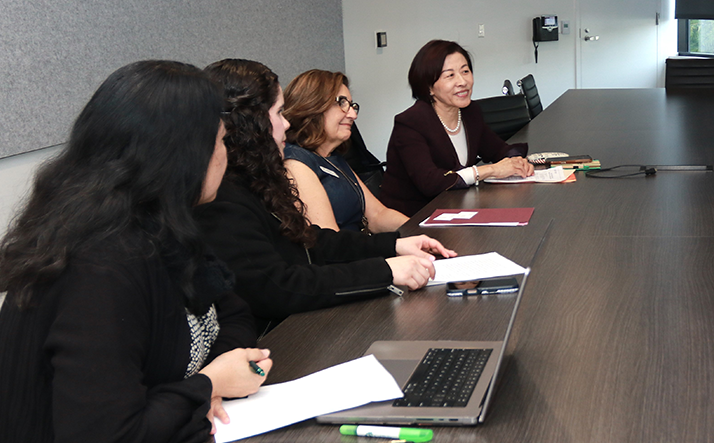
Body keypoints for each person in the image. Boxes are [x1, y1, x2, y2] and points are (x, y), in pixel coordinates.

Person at [0, 61, 271, 443]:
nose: (225, 156)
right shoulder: (100, 266)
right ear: (184, 155)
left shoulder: (165, 227)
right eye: (221, 142)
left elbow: (234, 314)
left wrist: (211, 379)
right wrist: (207, 386)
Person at [194, 59, 454, 333]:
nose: (286, 123)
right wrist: (385, 270)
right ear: (252, 122)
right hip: (279, 338)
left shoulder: (256, 179)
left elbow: (312, 240)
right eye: (279, 113)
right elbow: (278, 288)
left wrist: (393, 246)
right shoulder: (224, 199)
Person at [381, 40, 534, 216]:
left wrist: (516, 162)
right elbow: (430, 182)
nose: (462, 81)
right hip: (413, 219)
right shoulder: (411, 123)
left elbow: (498, 150)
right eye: (450, 75)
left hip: (456, 209)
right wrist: (490, 170)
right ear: (429, 87)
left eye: (465, 71)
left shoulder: (470, 112)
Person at [282, 70, 408, 233]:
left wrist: (421, 230)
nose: (353, 115)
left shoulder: (332, 157)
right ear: (312, 105)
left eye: (352, 105)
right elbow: (331, 241)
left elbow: (377, 215)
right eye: (341, 103)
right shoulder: (296, 163)